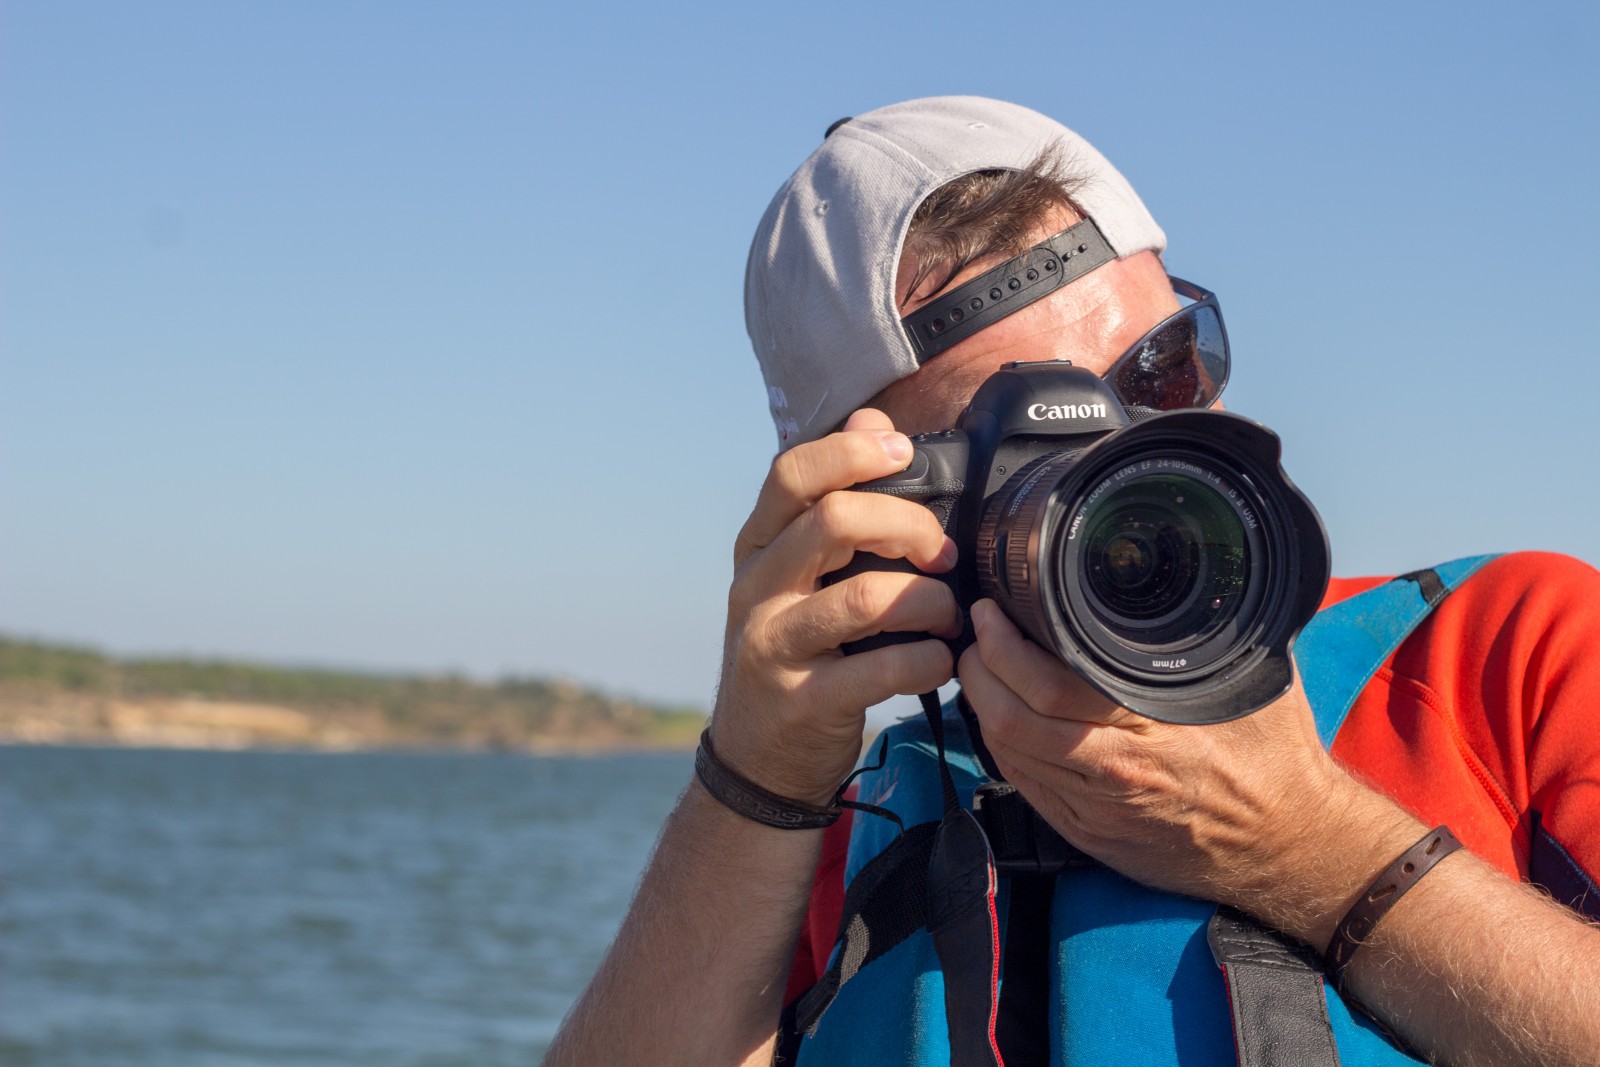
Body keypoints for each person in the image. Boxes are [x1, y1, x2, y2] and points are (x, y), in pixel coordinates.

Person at [546, 97, 1600, 1066]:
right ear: (867, 508)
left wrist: (1307, 845)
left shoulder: (1504, 652)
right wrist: (753, 782)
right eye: (1008, 446)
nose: (1122, 458)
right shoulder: (842, 828)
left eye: (1159, 369)